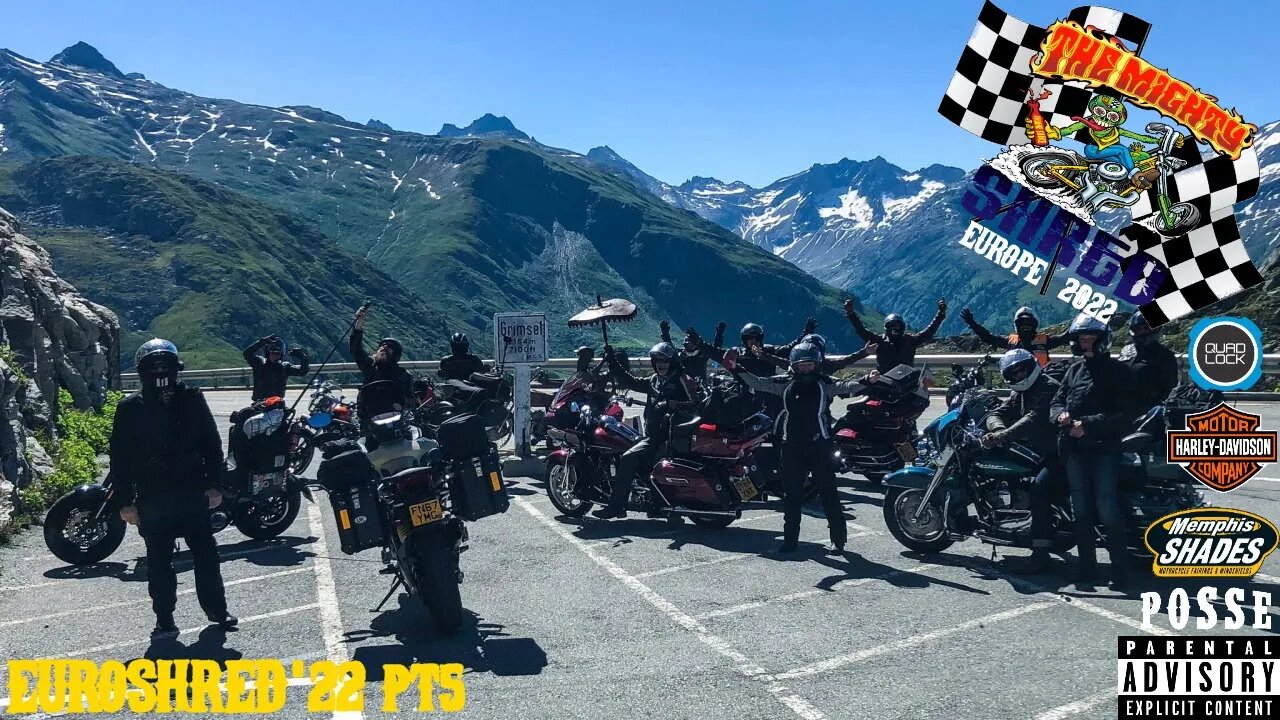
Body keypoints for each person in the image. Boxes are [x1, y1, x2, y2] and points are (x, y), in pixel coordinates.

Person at [111, 339, 235, 637]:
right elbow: (120, 458)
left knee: (205, 555)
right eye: (154, 369)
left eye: (165, 368)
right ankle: (164, 617)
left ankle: (217, 610)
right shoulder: (129, 408)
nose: (161, 375)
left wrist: (215, 485)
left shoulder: (192, 399)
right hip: (154, 497)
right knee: (159, 562)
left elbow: (211, 443)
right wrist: (126, 501)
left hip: (191, 491)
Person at [726, 342, 868, 555]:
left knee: (828, 493)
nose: (806, 369)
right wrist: (736, 368)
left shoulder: (825, 384)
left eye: (810, 365)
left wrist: (867, 380)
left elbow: (847, 387)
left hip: (820, 445)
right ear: (793, 365)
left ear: (817, 364)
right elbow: (758, 383)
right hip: (791, 445)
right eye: (801, 365)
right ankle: (790, 541)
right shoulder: (785, 383)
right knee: (791, 496)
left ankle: (838, 541)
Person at [1049, 314, 1136, 589]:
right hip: (1074, 450)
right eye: (1082, 339)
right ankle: (1087, 567)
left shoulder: (1118, 371)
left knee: (1107, 510)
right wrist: (1060, 415)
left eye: (1091, 339)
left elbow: (1123, 413)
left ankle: (1120, 571)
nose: (1086, 343)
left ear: (1102, 341)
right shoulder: (1074, 370)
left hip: (1102, 450)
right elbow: (1057, 400)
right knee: (1080, 510)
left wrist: (1087, 425)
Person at [594, 342, 703, 519]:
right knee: (635, 454)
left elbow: (697, 403)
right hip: (654, 434)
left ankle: (616, 507)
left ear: (672, 361)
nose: (661, 364)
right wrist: (613, 361)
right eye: (657, 360)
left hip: (669, 436)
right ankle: (655, 502)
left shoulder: (682, 379)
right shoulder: (654, 381)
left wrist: (674, 405)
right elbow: (630, 380)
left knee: (628, 458)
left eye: (665, 360)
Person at [977, 349, 1062, 573]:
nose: (1018, 375)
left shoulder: (1048, 386)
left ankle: (1041, 553)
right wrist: (998, 429)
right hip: (1038, 451)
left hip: (1059, 452)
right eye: (1013, 373)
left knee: (1038, 487)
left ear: (1031, 366)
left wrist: (1002, 436)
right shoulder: (1019, 393)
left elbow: (1032, 418)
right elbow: (997, 412)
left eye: (1021, 370)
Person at [846, 298, 947, 372]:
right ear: (886, 327)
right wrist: (851, 314)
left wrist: (940, 314)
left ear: (902, 327)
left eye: (897, 326)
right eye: (891, 326)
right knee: (869, 397)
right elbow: (861, 331)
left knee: (921, 398)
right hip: (883, 381)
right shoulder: (880, 340)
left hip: (907, 381)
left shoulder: (910, 340)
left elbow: (929, 332)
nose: (894, 328)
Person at [958, 306, 1069, 368]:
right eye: (1023, 325)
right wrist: (972, 323)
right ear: (1017, 326)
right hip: (1018, 383)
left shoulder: (1044, 341)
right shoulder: (1012, 341)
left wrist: (1081, 322)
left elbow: (1066, 337)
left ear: (1034, 325)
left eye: (1028, 324)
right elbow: (989, 338)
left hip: (1043, 383)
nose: (1026, 328)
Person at [351, 306, 413, 409]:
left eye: (390, 346)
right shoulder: (370, 366)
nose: (384, 346)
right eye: (382, 345)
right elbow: (356, 349)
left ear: (396, 353)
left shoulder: (404, 375)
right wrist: (359, 322)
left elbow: (411, 402)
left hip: (394, 417)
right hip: (368, 416)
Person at [1118, 310, 1178, 411]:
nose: (1142, 332)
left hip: (1146, 409)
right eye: (1138, 329)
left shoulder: (1165, 355)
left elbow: (1169, 389)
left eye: (1147, 328)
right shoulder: (1126, 350)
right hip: (1120, 407)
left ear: (1155, 330)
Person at [242, 334, 310, 401]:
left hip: (277, 404)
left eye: (278, 353)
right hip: (259, 403)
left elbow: (303, 371)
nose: (275, 355)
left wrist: (304, 358)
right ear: (267, 353)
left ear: (281, 354)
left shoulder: (285, 367)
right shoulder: (259, 363)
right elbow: (247, 353)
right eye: (272, 353)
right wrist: (261, 342)